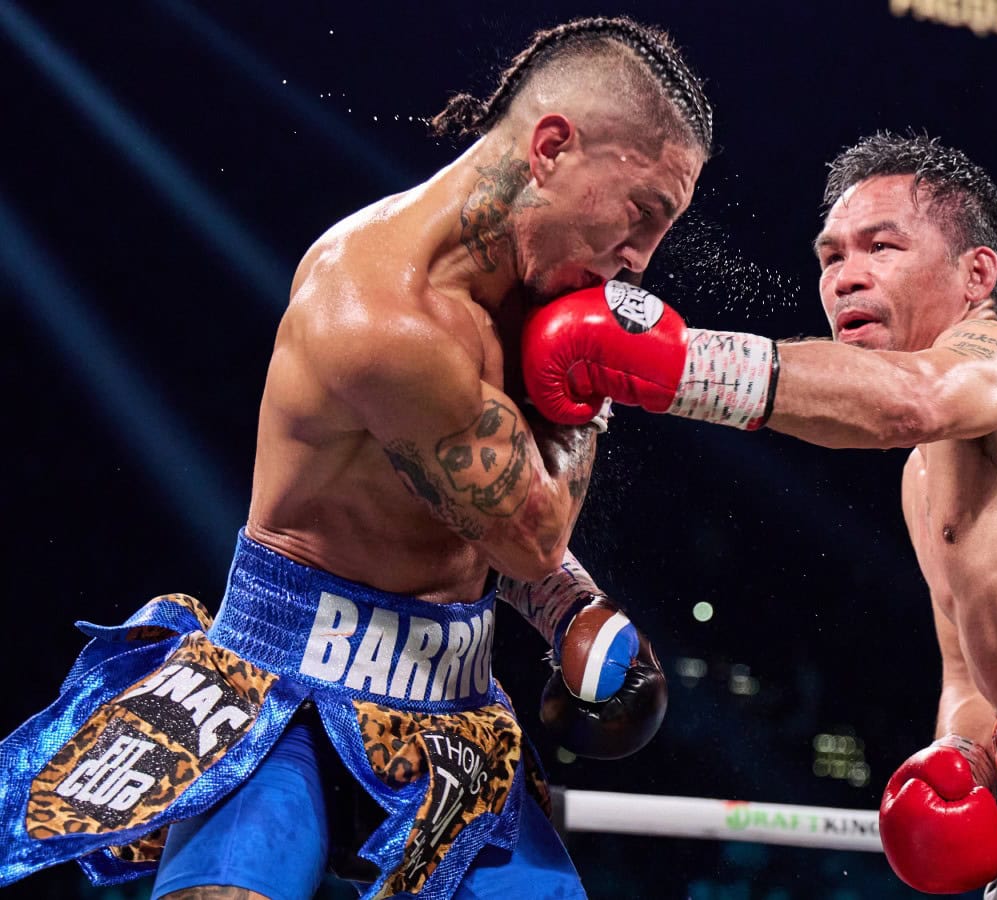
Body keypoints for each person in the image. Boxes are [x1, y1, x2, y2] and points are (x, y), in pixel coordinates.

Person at [0, 16, 710, 899]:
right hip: (279, 689)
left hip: (453, 712)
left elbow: (480, 520)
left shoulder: (534, 294)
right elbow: (528, 529)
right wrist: (598, 381)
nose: (642, 262)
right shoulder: (381, 307)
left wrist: (570, 607)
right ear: (554, 148)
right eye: (644, 214)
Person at [520, 131, 997, 898]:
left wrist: (676, 364)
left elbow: (914, 397)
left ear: (976, 273)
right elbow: (968, 675)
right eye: (831, 256)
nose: (846, 277)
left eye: (881, 247)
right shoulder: (920, 476)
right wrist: (961, 757)